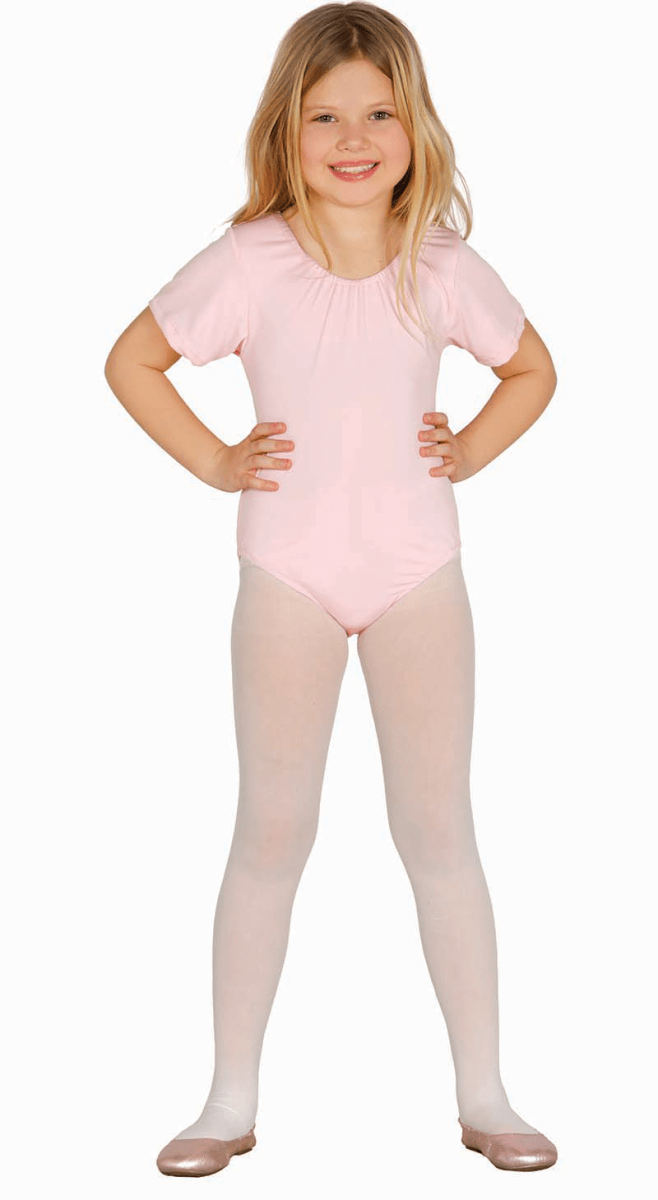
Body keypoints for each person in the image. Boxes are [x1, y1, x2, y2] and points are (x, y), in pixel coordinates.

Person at [104, 2, 559, 1177]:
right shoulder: (248, 260)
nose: (353, 139)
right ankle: (227, 1100)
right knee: (271, 828)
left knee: (438, 829)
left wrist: (472, 447)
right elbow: (133, 360)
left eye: (377, 113)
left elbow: (530, 368)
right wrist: (216, 461)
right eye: (324, 117)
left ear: (415, 126)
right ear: (285, 131)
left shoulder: (439, 263)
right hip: (287, 575)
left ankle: (485, 1092)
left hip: (417, 575)